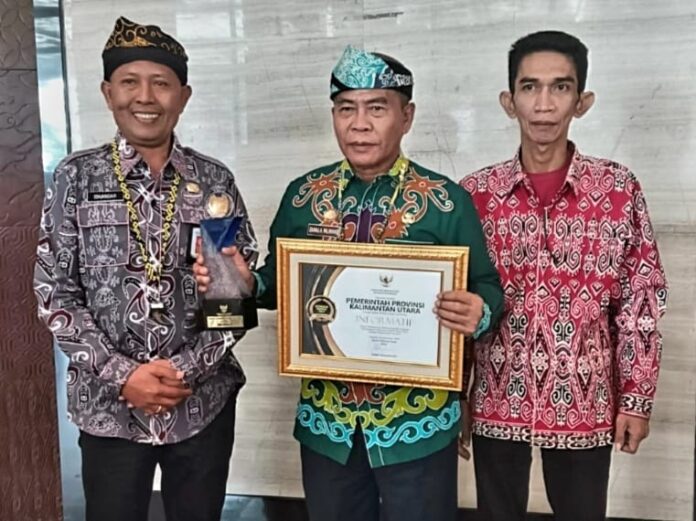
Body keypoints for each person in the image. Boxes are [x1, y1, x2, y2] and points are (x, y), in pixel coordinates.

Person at [194, 45, 504, 521]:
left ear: (406, 117)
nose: (359, 125)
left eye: (377, 108)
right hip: (329, 424)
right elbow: (280, 284)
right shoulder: (303, 196)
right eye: (346, 109)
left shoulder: (446, 202)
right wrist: (246, 282)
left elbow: (488, 288)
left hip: (417, 423)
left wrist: (478, 312)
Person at [33, 16, 257, 521]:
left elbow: (231, 298)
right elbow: (55, 294)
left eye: (161, 83)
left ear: (184, 95)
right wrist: (124, 375)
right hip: (108, 406)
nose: (145, 97)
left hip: (200, 403)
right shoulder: (76, 178)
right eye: (129, 82)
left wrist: (183, 372)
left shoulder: (212, 182)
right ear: (107, 92)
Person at [459, 30, 668, 521]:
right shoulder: (476, 193)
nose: (544, 104)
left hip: (586, 400)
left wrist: (636, 398)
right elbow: (458, 299)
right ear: (509, 101)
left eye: (561, 87)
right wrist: (455, 395)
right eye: (530, 87)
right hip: (496, 398)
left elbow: (641, 300)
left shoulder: (617, 189)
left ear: (582, 102)